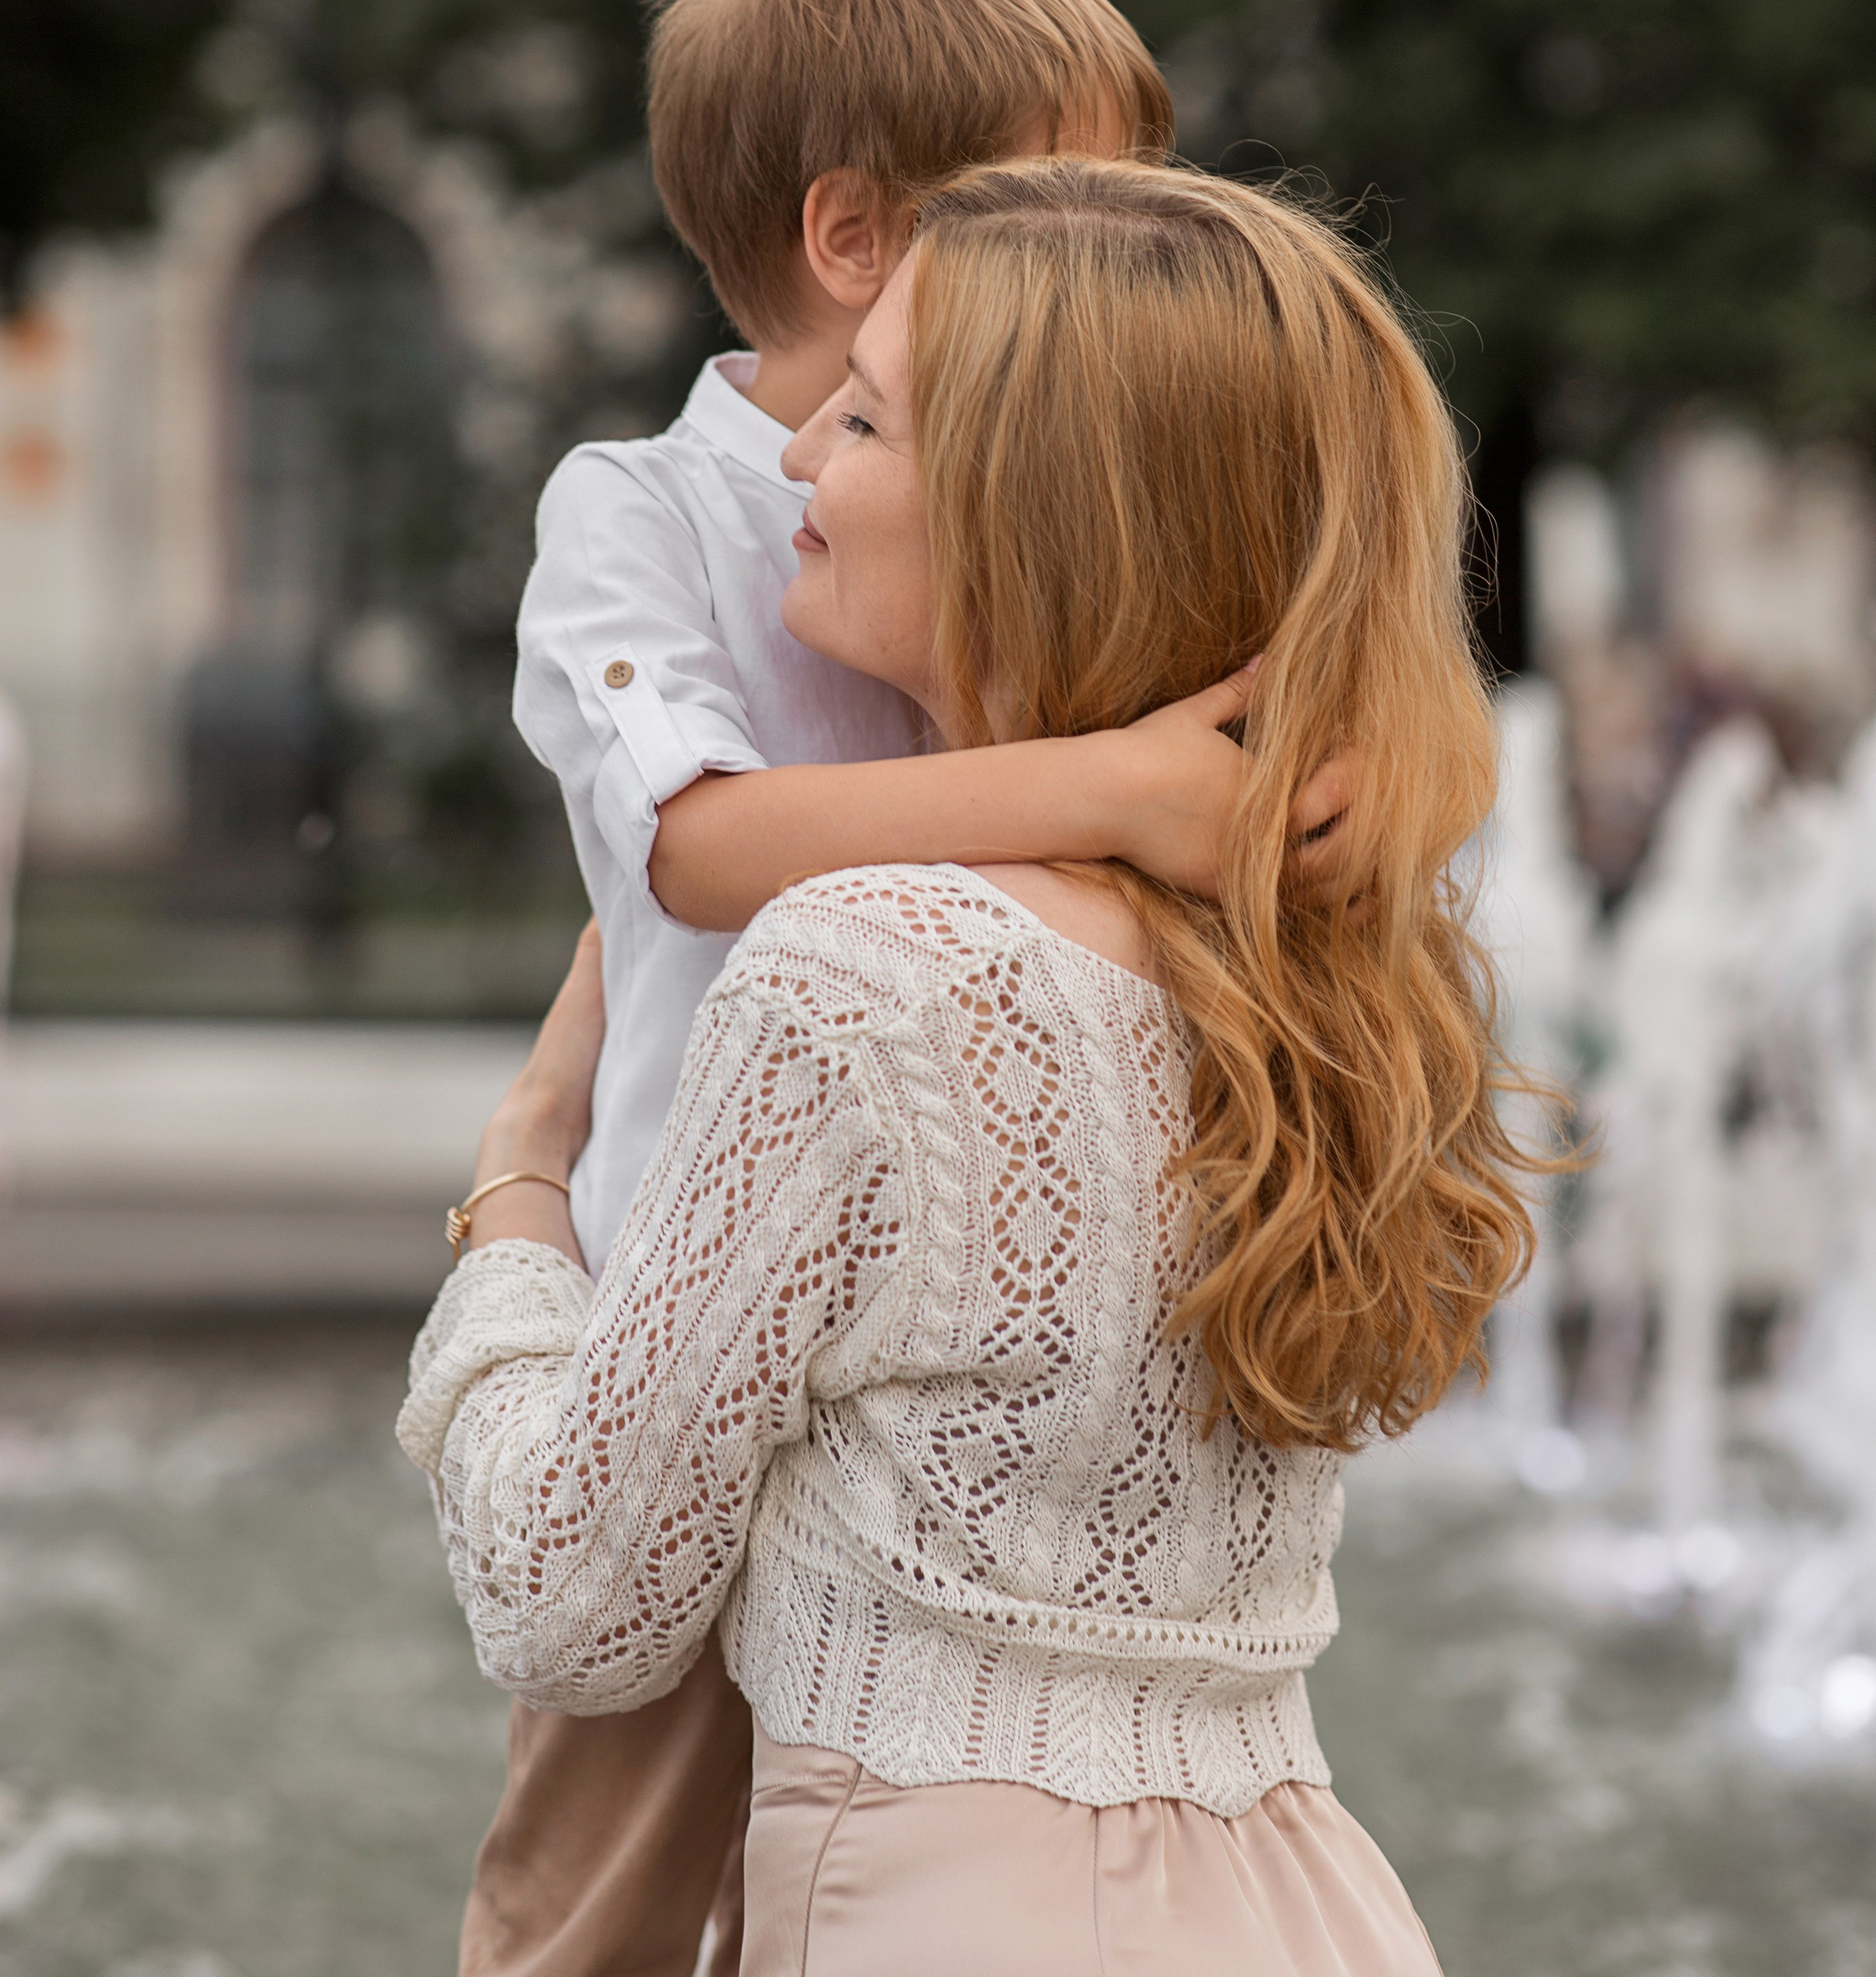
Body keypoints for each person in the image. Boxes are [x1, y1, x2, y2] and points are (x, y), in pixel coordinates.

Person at [402, 158, 1541, 1977]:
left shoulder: (876, 976)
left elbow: (571, 1604)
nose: (794, 464)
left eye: (862, 418)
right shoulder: (1326, 955)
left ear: (1033, 512)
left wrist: (515, 1205)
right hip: (1313, 1908)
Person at [479, 0, 1348, 1977]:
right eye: (1057, 186)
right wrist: (1116, 790)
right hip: (676, 1312)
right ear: (859, 236)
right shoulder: (649, 509)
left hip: (918, 1361)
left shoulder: (1035, 480)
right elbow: (697, 851)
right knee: (592, 1893)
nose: (1110, 233)